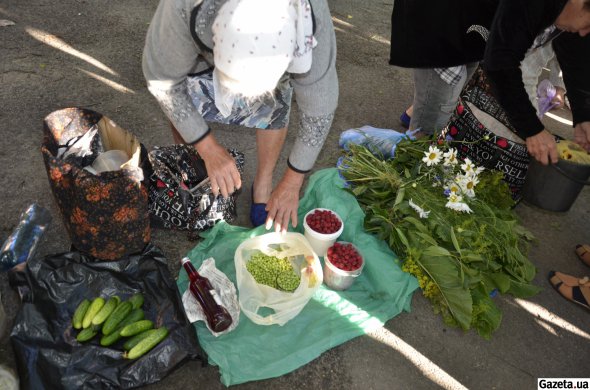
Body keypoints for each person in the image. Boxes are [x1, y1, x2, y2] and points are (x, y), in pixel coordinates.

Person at [142, 0, 338, 232]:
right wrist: (208, 148)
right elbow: (165, 83)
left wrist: (293, 181)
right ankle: (194, 170)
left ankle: (263, 182)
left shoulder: (310, 16)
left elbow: (320, 107)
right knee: (190, 91)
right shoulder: (184, 8)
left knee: (276, 100)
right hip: (195, 37)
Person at [483, 0, 590, 166]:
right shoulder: (533, 6)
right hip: (446, 40)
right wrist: (532, 129)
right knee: (433, 118)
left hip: (481, 47)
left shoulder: (567, 14)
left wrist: (583, 114)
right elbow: (501, 63)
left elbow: (572, 50)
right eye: (588, 24)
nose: (584, 33)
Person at [389, 0, 499, 136]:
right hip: (445, 23)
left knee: (449, 95)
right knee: (434, 118)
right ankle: (421, 133)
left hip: (475, 23)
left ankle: (420, 117)